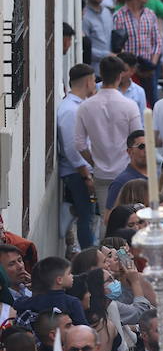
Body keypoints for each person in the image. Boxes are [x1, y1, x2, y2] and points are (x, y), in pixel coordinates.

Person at [73, 53, 141, 205]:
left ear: (101, 74)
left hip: (101, 172)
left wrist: (94, 162)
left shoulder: (85, 106)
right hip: (125, 170)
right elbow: (138, 140)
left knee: (106, 218)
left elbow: (79, 144)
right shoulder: (129, 106)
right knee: (129, 216)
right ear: (120, 76)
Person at [58, 63, 98, 253]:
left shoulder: (77, 106)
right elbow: (72, 147)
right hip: (76, 172)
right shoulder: (70, 110)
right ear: (89, 81)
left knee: (88, 215)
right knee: (86, 216)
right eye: (94, 81)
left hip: (82, 171)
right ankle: (89, 256)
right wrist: (86, 175)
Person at [81, 0, 114, 75]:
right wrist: (107, 55)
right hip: (94, 71)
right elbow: (84, 48)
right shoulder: (84, 17)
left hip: (111, 69)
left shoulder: (107, 13)